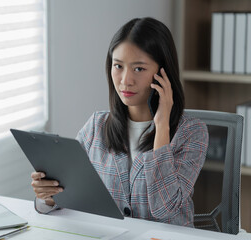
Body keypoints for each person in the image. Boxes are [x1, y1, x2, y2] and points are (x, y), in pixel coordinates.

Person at [30, 17, 209, 227]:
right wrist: (48, 197)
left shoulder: (192, 132)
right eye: (118, 66)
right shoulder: (96, 127)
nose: (125, 80)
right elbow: (70, 196)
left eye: (139, 69)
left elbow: (165, 208)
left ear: (164, 73)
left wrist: (162, 127)